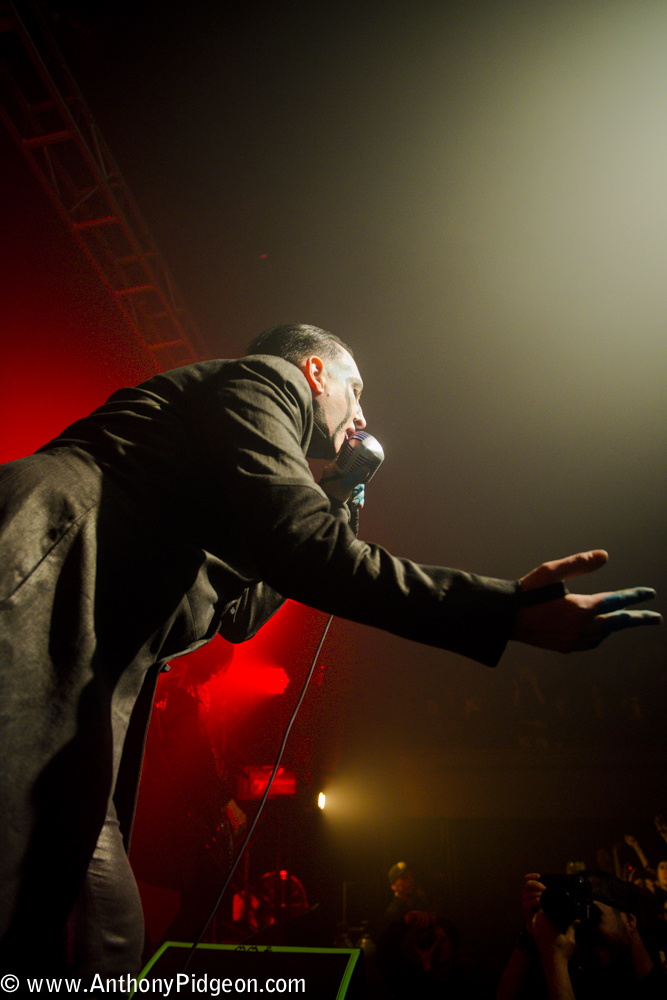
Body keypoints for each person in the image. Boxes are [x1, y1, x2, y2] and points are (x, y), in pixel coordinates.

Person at [0, 323, 661, 976]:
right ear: (313, 373)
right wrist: (504, 612)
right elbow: (305, 548)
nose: (363, 412)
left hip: (83, 647)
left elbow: (240, 615)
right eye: (355, 387)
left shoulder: (225, 481)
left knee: (96, 928)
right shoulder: (262, 380)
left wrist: (338, 489)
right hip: (41, 572)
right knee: (55, 903)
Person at [496, 870, 667, 999]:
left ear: (630, 920)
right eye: (576, 920)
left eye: (591, 915)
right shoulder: (581, 985)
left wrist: (555, 961)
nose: (583, 931)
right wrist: (531, 929)